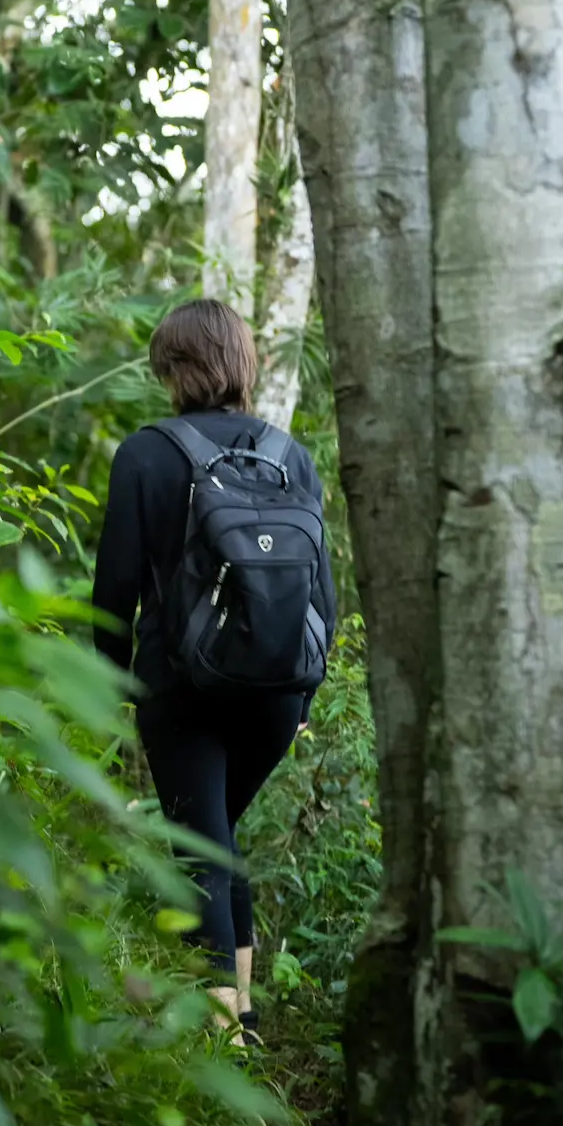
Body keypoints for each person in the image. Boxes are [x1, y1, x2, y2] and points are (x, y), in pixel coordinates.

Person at [92, 298, 336, 1043]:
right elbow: (324, 591)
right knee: (215, 836)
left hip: (184, 688)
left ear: (173, 366)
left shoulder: (146, 453)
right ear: (242, 361)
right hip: (278, 693)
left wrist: (109, 695)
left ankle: (223, 1038)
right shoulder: (289, 455)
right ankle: (247, 1011)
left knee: (201, 848)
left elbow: (115, 593)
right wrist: (300, 702)